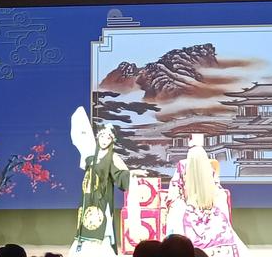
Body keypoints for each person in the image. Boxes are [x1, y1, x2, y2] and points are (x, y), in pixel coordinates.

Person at [69, 107, 147, 256]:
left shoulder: (112, 158)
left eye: (108, 138)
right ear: (98, 137)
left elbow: (120, 174)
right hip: (88, 197)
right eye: (102, 136)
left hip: (102, 198)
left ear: (112, 141)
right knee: (85, 223)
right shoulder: (90, 156)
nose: (104, 140)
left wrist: (132, 173)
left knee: (100, 223)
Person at [165, 134, 248, 257]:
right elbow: (217, 189)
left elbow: (174, 190)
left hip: (190, 209)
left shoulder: (182, 166)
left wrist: (180, 202)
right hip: (210, 209)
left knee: (176, 212)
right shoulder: (209, 167)